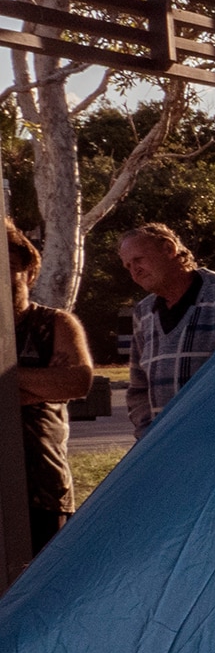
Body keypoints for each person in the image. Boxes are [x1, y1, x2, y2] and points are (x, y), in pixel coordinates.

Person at [119, 222, 215, 437]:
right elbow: (138, 388)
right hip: (165, 446)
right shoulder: (144, 312)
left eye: (138, 259)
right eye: (128, 266)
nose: (135, 270)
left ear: (169, 249)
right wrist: (147, 433)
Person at [10, 223, 92, 552]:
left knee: (41, 582)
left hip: (44, 486)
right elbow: (56, 384)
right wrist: (40, 382)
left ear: (30, 274)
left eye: (10, 269)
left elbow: (76, 381)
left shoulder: (54, 324)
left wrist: (7, 380)